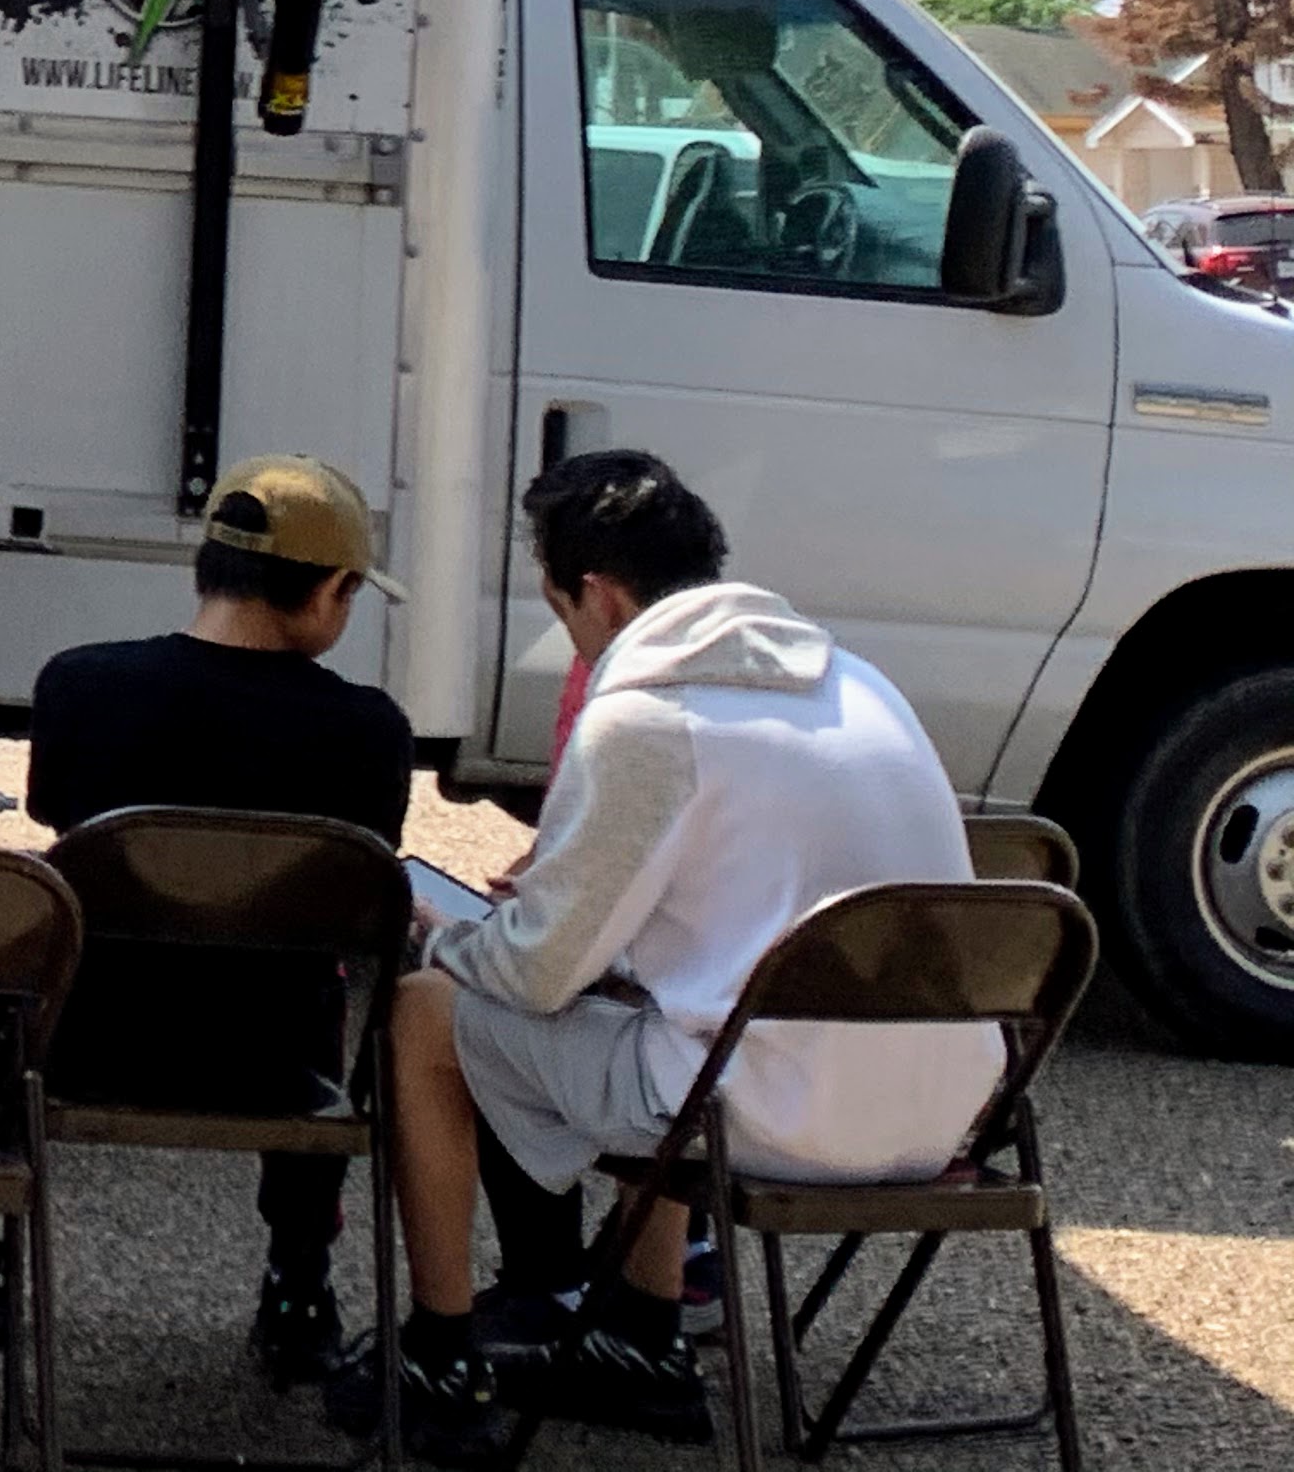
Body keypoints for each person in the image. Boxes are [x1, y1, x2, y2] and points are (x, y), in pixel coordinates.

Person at [334, 452, 996, 1467]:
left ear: (597, 594)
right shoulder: (859, 683)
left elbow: (539, 973)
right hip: (946, 1108)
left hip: (773, 1117)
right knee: (680, 994)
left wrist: (451, 932)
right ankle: (642, 1334)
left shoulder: (646, 714)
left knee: (427, 1011)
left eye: (561, 610)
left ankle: (440, 1351)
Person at [0, 456, 412, 1377]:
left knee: (0, 943)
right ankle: (299, 1284)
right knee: (326, 979)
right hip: (273, 1063)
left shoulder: (83, 686)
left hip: (83, 1044)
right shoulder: (371, 730)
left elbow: (62, 821)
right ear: (333, 590)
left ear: (206, 568)